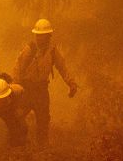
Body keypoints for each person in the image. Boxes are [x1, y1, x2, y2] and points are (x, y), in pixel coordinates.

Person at [14, 18, 79, 147]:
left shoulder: (52, 51)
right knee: (17, 117)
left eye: (42, 36)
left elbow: (62, 67)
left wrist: (71, 83)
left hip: (41, 90)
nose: (39, 38)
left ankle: (42, 148)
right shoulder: (29, 49)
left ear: (48, 36)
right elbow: (17, 68)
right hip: (26, 88)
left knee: (43, 120)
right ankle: (16, 144)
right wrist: (15, 88)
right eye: (38, 35)